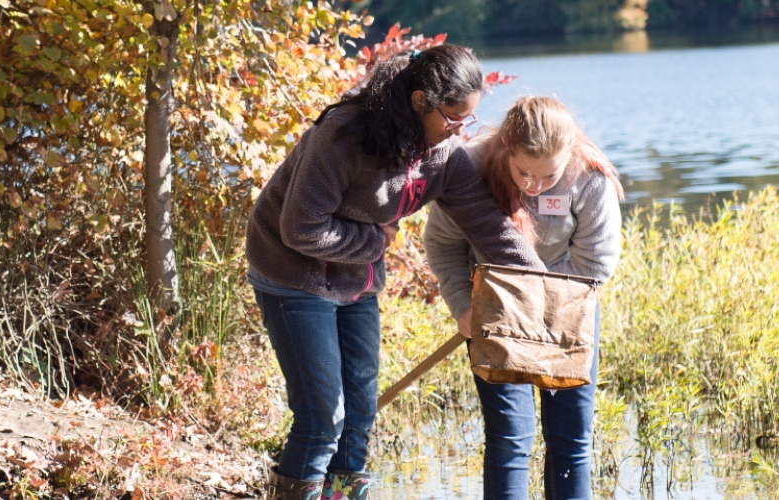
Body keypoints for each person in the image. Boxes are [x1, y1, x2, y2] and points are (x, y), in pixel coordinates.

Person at [244, 44, 547, 500]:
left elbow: (490, 227)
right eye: (453, 118)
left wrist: (542, 282)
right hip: (292, 276)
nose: (459, 131)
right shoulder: (344, 135)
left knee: (359, 415)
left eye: (467, 120)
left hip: (355, 282)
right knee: (323, 416)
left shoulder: (442, 154)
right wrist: (375, 241)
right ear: (419, 100)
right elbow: (299, 227)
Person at [423, 96, 623, 500]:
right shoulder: (470, 169)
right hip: (495, 315)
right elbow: (444, 246)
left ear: (568, 156)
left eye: (548, 176)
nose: (533, 185)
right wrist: (464, 305)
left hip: (568, 314)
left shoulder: (589, 178)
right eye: (523, 173)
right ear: (506, 150)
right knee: (510, 438)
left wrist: (535, 305)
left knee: (571, 439)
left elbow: (595, 263)